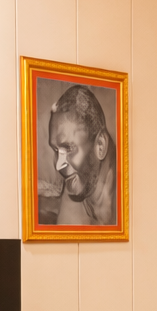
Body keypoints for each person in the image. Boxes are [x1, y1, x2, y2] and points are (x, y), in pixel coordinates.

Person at [47, 84, 117, 226]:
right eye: (56, 150)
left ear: (100, 145)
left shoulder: (126, 194)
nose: (59, 165)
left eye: (68, 148)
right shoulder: (75, 185)